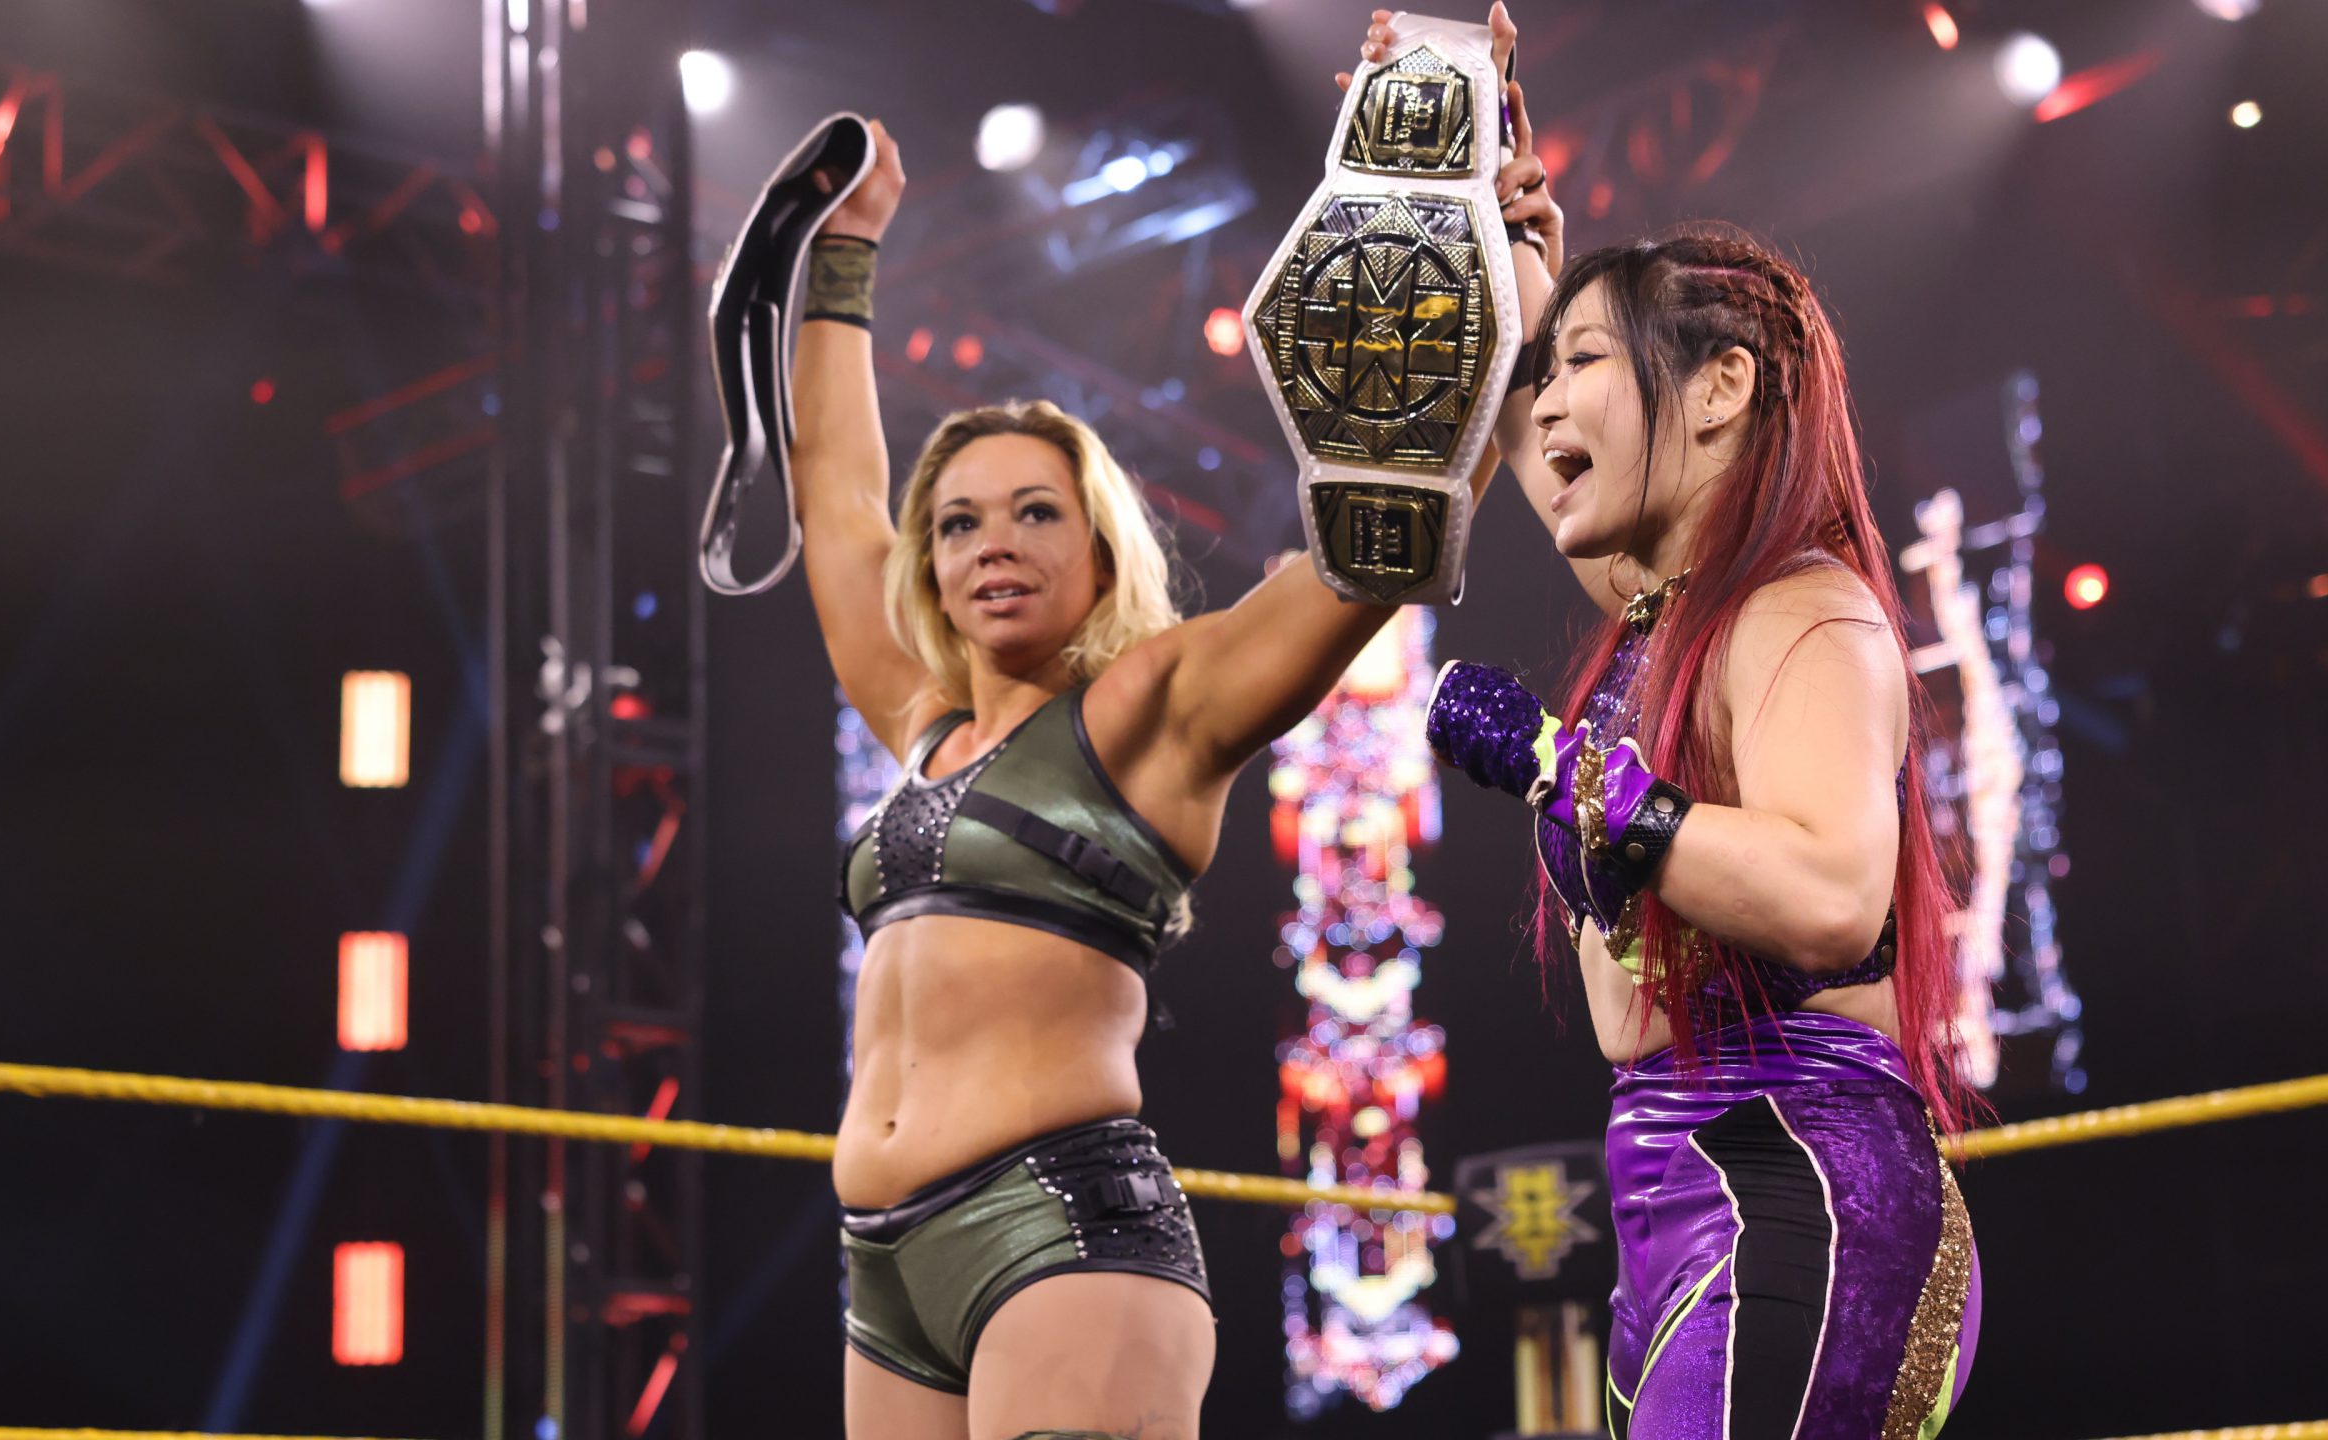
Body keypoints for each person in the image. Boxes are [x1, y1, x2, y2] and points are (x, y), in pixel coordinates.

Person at [788, 14, 1561, 1436]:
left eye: (1034, 512)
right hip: (884, 1266)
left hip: (1061, 1232)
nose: (990, 542)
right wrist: (838, 261)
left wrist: (1496, 261)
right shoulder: (922, 725)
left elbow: (1381, 533)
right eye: (956, 522)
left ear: (1099, 552)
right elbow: (835, 500)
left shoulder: (1152, 708)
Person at [1399, 9, 1984, 1427]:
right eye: (1553, 369)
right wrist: (1482, 193)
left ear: (1721, 386)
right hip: (1677, 1192)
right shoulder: (1668, 617)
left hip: (1803, 1171)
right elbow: (1534, 448)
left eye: (1586, 364)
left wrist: (1564, 771)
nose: (1547, 408)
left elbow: (1831, 896)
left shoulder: (1804, 607)